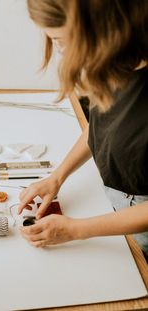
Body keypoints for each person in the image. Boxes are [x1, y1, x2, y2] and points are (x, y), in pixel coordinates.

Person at [18, 0, 148, 260]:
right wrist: (57, 177)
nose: (63, 53)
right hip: (112, 202)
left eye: (62, 41)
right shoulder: (116, 62)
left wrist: (77, 230)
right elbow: (101, 126)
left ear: (100, 29)